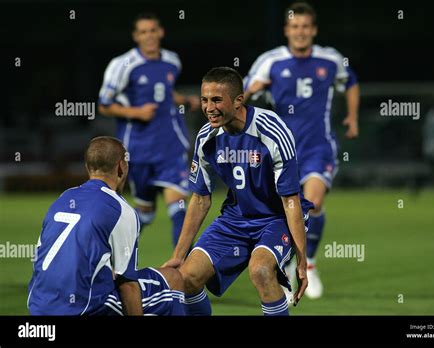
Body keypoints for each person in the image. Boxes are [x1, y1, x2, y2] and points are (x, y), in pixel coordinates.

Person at [163, 67, 314, 316]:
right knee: (186, 279)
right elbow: (200, 199)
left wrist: (301, 261)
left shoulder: (273, 131)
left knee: (261, 271)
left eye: (216, 100)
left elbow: (290, 201)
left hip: (275, 219)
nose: (209, 107)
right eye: (204, 100)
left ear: (238, 100)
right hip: (235, 220)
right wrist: (179, 255)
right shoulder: (206, 137)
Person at [243, 2, 360, 299]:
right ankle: (286, 263)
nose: (300, 32)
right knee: (284, 210)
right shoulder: (270, 61)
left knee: (313, 204)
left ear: (314, 30)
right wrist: (254, 88)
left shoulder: (330, 59)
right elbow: (241, 94)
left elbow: (352, 83)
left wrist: (352, 116)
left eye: (306, 27)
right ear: (287, 30)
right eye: (295, 27)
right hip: (280, 148)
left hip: (319, 146)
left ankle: (309, 264)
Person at [28, 136, 185, 315]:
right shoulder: (119, 208)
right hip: (84, 308)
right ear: (121, 167)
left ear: (87, 167)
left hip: (39, 306)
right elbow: (128, 285)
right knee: (173, 278)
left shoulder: (62, 199)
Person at [98, 12, 200, 246]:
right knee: (145, 212)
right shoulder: (123, 64)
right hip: (138, 148)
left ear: (161, 32)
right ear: (136, 36)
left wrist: (184, 100)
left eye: (153, 30)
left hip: (170, 145)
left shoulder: (172, 61)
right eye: (143, 32)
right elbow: (104, 104)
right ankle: (113, 257)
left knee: (180, 208)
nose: (149, 36)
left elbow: (164, 92)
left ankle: (183, 274)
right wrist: (136, 113)